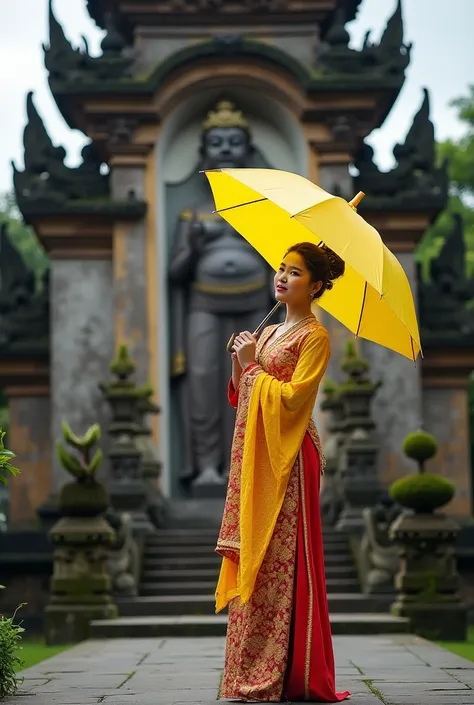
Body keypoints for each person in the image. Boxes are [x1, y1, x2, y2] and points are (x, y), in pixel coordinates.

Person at [215, 241, 350, 703]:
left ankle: (284, 670)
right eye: (280, 267)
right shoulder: (270, 331)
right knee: (255, 551)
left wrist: (252, 369)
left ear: (315, 285)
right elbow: (245, 396)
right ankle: (248, 670)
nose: (282, 276)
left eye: (294, 272)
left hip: (290, 457)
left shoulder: (316, 337)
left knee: (280, 557)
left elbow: (293, 401)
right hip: (259, 454)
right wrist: (241, 364)